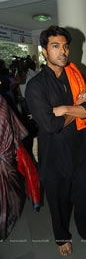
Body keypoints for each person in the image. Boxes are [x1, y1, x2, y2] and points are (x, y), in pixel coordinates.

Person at [25, 25, 86, 256]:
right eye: (55, 46)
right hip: (55, 155)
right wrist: (80, 109)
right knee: (58, 202)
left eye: (65, 46)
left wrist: (67, 108)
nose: (63, 51)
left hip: (82, 150)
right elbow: (51, 125)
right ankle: (61, 238)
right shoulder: (35, 86)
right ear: (44, 52)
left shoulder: (76, 75)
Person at [0, 95, 40, 241]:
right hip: (7, 156)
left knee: (13, 194)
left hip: (8, 157)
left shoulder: (2, 102)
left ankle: (9, 219)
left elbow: (12, 123)